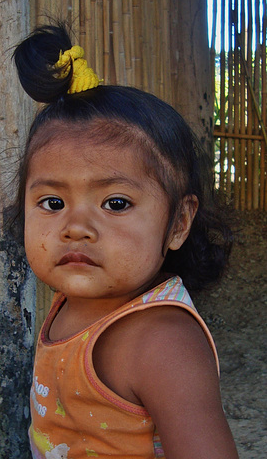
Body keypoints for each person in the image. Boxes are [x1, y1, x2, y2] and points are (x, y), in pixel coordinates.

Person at [12, 23, 239, 459]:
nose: (75, 226)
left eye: (115, 203)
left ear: (179, 223)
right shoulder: (69, 303)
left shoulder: (161, 342)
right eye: (52, 201)